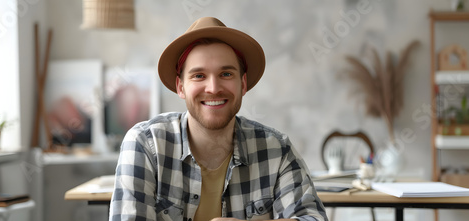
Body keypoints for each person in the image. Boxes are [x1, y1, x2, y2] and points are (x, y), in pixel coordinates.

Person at [109, 17, 328, 221]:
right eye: (199, 76)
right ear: (180, 87)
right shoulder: (145, 145)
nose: (213, 88)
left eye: (226, 74)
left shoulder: (276, 150)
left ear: (242, 84)